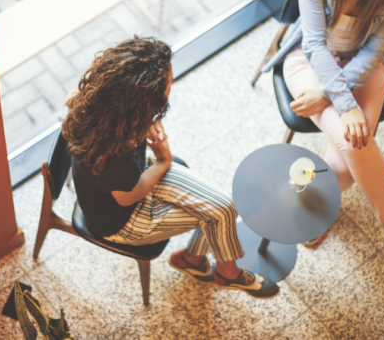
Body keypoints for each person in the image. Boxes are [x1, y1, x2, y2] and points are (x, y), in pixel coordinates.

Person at [61, 36, 279, 299]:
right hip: (120, 219)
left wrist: (141, 124)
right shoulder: (112, 156)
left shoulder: (102, 104)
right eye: (169, 83)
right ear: (142, 101)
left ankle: (193, 261)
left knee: (223, 208)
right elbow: (130, 195)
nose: (170, 87)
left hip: (133, 177)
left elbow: (72, 99)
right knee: (217, 215)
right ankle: (226, 273)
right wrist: (165, 160)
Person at [261, 0, 384, 278]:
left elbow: (377, 50)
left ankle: (317, 209)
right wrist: (342, 102)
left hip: (363, 68)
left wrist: (329, 95)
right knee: (353, 141)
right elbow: (315, 45)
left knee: (348, 163)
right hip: (309, 62)